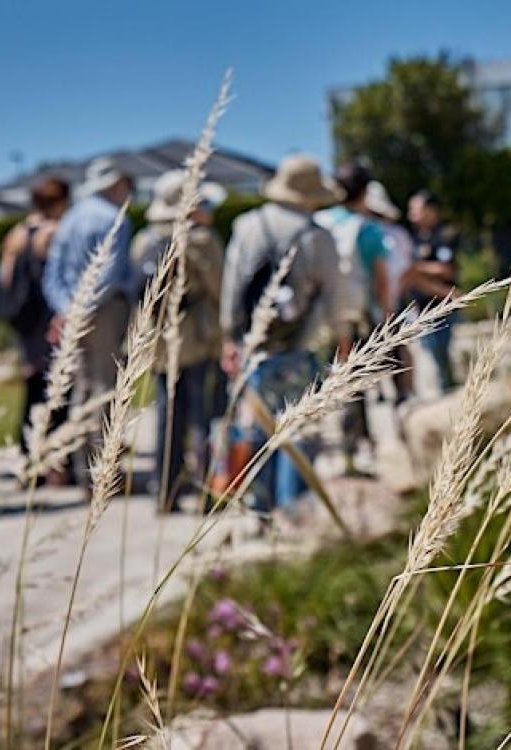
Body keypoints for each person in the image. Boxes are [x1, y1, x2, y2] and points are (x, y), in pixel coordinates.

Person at [220, 154, 357, 517]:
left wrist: (229, 338)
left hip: (255, 346)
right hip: (301, 347)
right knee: (298, 430)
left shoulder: (247, 226)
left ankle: (258, 511)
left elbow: (232, 287)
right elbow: (335, 296)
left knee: (255, 429)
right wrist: (344, 340)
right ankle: (291, 512)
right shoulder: (318, 237)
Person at [132, 170, 226, 511]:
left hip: (159, 342)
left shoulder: (144, 239)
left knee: (168, 416)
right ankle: (205, 491)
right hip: (197, 339)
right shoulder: (202, 240)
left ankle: (166, 492)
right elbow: (220, 289)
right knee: (201, 414)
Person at [43, 158, 134, 481]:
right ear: (115, 185)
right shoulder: (115, 218)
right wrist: (86, 306)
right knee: (106, 389)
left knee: (81, 388)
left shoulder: (69, 219)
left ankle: (83, 469)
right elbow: (108, 272)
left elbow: (52, 272)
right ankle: (103, 471)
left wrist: (67, 308)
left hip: (73, 310)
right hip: (104, 310)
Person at [314, 163, 391, 473]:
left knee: (323, 380)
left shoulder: (318, 223)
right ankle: (357, 444)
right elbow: (381, 277)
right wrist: (386, 315)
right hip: (356, 315)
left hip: (319, 317)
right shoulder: (367, 228)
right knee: (357, 384)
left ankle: (325, 447)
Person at [0, 177, 71, 479]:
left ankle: (28, 461)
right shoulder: (53, 232)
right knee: (57, 388)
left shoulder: (15, 235)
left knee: (31, 391)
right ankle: (57, 465)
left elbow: (5, 280)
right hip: (48, 320)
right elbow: (57, 279)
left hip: (25, 323)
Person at [363, 180, 416, 402]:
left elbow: (402, 272)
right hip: (381, 303)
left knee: (396, 352)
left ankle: (402, 394)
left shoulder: (386, 234)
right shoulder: (388, 233)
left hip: (386, 303)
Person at [406, 190, 460, 394]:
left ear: (431, 211)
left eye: (416, 208)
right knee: (430, 354)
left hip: (443, 308)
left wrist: (414, 267)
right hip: (421, 309)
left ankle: (449, 394)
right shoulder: (414, 238)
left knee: (441, 355)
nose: (412, 213)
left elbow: (446, 269)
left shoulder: (444, 235)